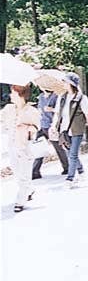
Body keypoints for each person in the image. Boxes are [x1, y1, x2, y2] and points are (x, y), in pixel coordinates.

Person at [0, 85, 40, 213]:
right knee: (18, 174)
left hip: (24, 147)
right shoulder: (8, 109)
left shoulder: (31, 111)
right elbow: (2, 122)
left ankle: (20, 200)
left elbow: (36, 127)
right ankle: (29, 189)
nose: (10, 96)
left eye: (12, 93)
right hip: (12, 146)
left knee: (24, 174)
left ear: (20, 95)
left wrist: (28, 129)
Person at [52, 72, 88, 189]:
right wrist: (53, 126)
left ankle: (70, 178)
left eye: (65, 81)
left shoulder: (81, 98)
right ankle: (81, 171)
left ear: (71, 83)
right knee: (70, 153)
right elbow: (57, 113)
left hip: (77, 130)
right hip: (63, 130)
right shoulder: (61, 97)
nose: (63, 84)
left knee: (73, 155)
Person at [32, 90, 69, 179]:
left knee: (59, 148)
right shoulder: (41, 96)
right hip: (42, 126)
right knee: (39, 148)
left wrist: (51, 109)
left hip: (52, 126)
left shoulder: (56, 96)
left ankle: (67, 168)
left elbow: (62, 110)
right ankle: (35, 172)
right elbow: (40, 110)